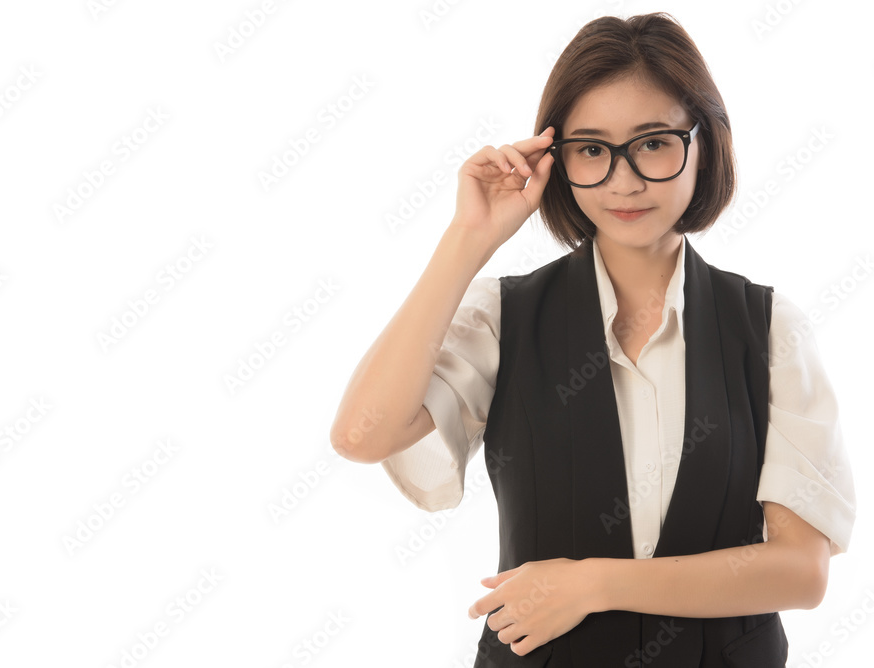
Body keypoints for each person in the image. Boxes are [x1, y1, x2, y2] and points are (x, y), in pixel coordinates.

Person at [329, 12, 855, 667]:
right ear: (558, 160)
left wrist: (594, 585)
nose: (624, 180)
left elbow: (801, 571)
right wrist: (468, 240)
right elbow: (362, 435)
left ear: (704, 145)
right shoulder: (503, 317)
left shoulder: (770, 327)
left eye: (654, 142)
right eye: (591, 149)